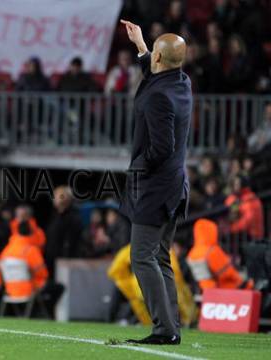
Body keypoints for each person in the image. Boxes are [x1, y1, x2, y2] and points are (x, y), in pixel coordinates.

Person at [119, 20, 192, 345]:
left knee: (142, 257)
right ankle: (170, 327)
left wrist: (138, 166)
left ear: (159, 61)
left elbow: (160, 148)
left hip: (155, 189)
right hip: (175, 186)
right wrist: (142, 48)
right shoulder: (181, 83)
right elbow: (155, 76)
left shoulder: (159, 97)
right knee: (160, 257)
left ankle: (164, 329)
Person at [187, 219, 253, 291]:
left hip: (203, 291)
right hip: (224, 290)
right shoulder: (212, 251)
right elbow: (228, 273)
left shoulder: (191, 254)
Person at [45, 186, 84, 279]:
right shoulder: (55, 215)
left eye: (58, 196)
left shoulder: (73, 216)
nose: (55, 199)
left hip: (65, 260)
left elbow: (71, 240)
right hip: (52, 259)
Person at [224, 176, 264, 240]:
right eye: (233, 184)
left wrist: (232, 229)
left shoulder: (250, 198)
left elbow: (248, 220)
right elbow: (226, 215)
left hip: (252, 236)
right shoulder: (232, 198)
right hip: (236, 235)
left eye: (237, 184)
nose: (235, 186)